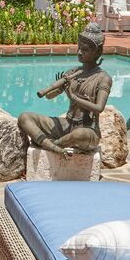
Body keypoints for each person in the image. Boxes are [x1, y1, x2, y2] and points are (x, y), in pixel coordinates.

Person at [18, 22, 111, 159]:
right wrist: (58, 89)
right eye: (79, 48)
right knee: (24, 117)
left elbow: (99, 108)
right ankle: (55, 147)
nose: (79, 52)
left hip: (88, 130)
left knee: (78, 135)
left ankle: (51, 145)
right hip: (67, 124)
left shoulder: (103, 78)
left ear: (97, 52)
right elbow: (49, 97)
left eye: (84, 50)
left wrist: (73, 97)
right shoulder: (73, 72)